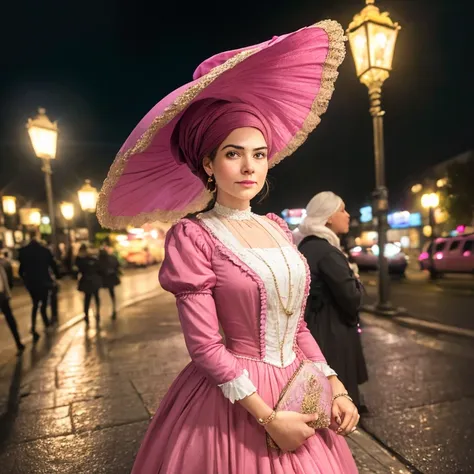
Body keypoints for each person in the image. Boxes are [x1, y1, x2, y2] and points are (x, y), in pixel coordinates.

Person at [97, 22, 358, 473]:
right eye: (233, 153)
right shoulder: (193, 236)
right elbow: (205, 348)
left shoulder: (277, 228)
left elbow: (295, 328)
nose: (249, 166)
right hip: (233, 400)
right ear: (208, 163)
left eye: (259, 154)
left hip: (296, 385)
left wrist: (334, 386)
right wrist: (270, 418)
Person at [297, 192, 369, 410]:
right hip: (333, 336)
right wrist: (357, 281)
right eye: (342, 210)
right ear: (327, 217)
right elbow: (353, 298)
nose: (347, 215)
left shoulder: (305, 247)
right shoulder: (328, 253)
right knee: (337, 406)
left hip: (315, 332)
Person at [18, 232, 59, 342]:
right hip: (43, 281)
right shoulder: (44, 251)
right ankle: (46, 324)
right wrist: (56, 277)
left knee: (35, 304)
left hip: (31, 282)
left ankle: (34, 326)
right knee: (44, 303)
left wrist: (25, 279)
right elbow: (53, 265)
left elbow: (20, 271)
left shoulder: (24, 252)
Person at [0, 248, 25, 354]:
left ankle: (18, 342)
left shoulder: (2, 264)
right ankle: (18, 342)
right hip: (2, 295)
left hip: (2, 296)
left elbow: (4, 280)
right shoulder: (3, 264)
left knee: (10, 319)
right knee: (10, 318)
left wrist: (7, 294)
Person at [75, 244, 102, 326]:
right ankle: (96, 313)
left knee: (88, 298)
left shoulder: (81, 260)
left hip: (87, 280)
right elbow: (99, 269)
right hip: (93, 280)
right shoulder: (93, 259)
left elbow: (78, 268)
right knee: (95, 297)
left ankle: (87, 315)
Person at [98, 247, 121, 319]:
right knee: (112, 293)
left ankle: (98, 312)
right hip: (110, 277)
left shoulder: (99, 259)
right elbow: (117, 265)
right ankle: (113, 308)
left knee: (97, 295)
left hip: (103, 278)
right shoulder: (111, 258)